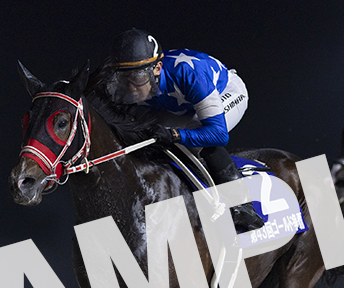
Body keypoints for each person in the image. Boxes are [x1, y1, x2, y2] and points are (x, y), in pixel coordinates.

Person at [105, 28, 264, 231]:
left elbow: (218, 134)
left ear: (157, 68)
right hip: (181, 104)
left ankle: (243, 206)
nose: (130, 88)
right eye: (123, 78)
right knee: (147, 136)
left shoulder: (188, 74)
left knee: (197, 134)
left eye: (137, 77)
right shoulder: (118, 87)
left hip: (225, 91)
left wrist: (175, 135)